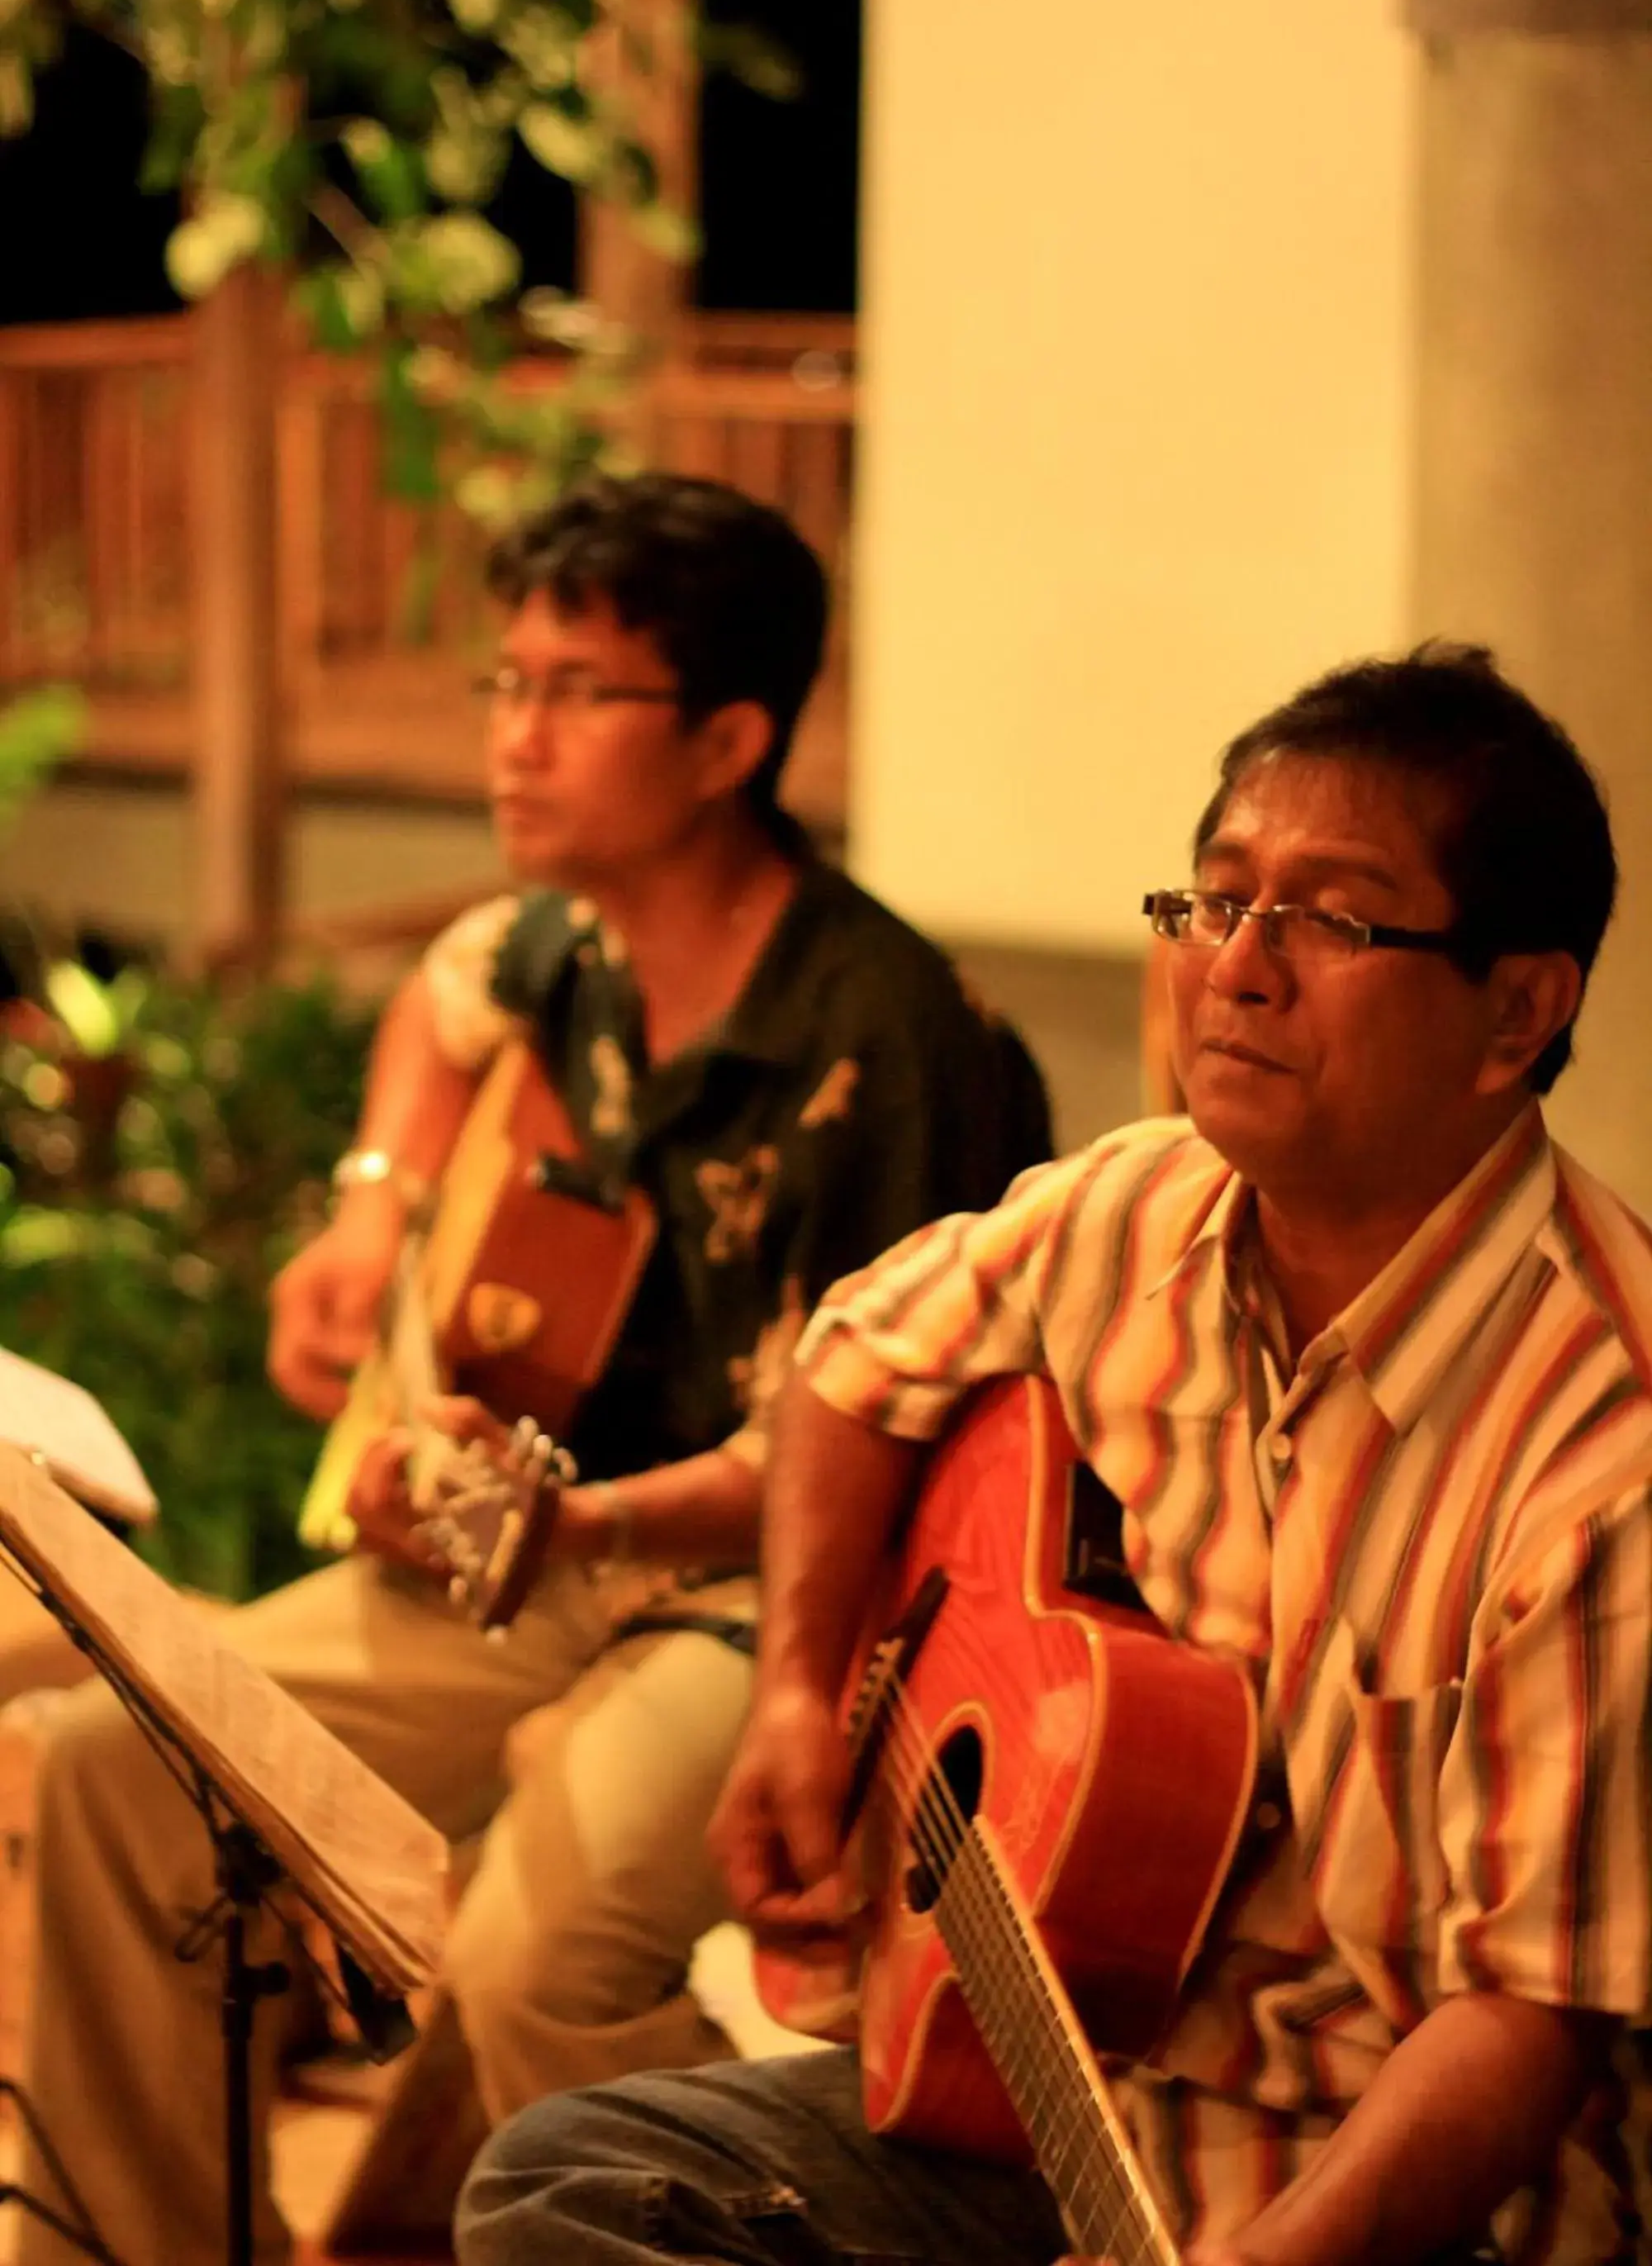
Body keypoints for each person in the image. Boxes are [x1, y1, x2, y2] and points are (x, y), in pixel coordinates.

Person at [457, 643, 1652, 2266]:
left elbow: (1528, 2017)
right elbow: (850, 1370)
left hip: (1393, 2203)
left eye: (1331, 920)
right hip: (1066, 2088)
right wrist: (802, 1693)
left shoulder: (1605, 1438)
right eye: (1215, 901)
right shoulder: (1133, 1208)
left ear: (1516, 1009)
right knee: (573, 2181)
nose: (1237, 966)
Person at [15, 472, 1052, 2266]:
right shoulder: (565, 944)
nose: (514, 736)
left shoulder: (887, 1036)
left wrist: (571, 1526)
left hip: (776, 1599)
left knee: (534, 1953)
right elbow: (437, 996)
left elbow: (850, 1435)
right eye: (506, 683)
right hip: (543, 1551)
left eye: (575, 693)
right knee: (114, 1765)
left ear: (728, 739)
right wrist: (368, 1215)